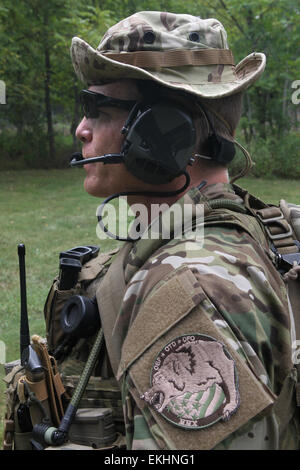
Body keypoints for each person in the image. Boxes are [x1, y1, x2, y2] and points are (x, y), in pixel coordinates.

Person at [54, 11, 300, 450]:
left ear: (162, 133)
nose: (81, 129)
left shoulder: (191, 286)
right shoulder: (218, 229)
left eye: (98, 109)